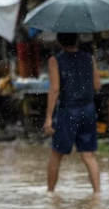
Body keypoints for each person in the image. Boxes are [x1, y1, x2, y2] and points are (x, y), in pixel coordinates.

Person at [44, 32, 102, 194]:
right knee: (88, 155)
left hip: (68, 111)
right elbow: (97, 85)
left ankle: (50, 194)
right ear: (78, 39)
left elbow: (54, 89)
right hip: (88, 110)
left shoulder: (55, 60)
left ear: (59, 41)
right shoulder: (89, 58)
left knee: (56, 154)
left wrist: (48, 117)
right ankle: (97, 194)